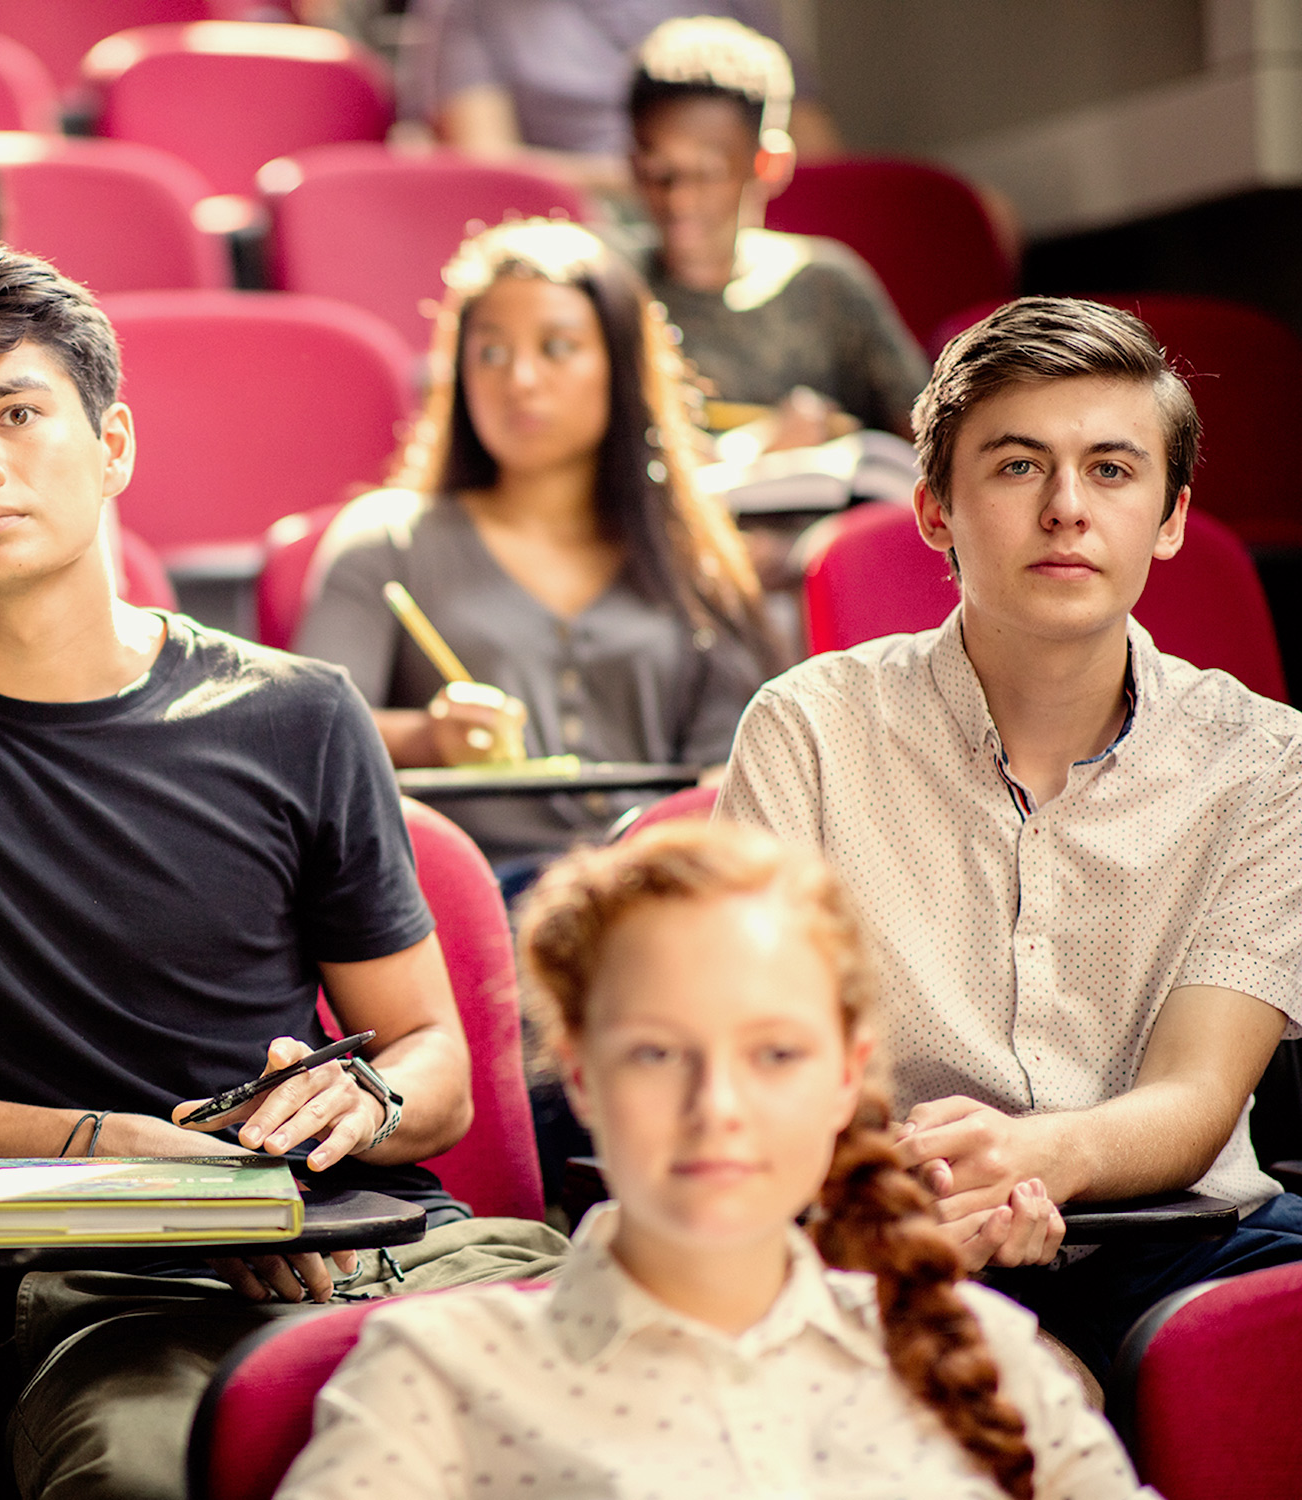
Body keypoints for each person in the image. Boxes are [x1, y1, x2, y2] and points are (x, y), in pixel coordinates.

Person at [0, 241, 566, 1500]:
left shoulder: (301, 713)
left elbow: (430, 1062)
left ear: (112, 446)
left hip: (370, 1244)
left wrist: (359, 1110)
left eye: (14, 413)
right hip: (89, 1286)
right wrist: (120, 1157)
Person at [716, 295, 1302, 1381]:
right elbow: (756, 1060)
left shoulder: (1265, 759)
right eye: (1018, 467)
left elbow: (1196, 1094)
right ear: (934, 509)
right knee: (1017, 1392)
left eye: (1112, 471)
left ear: (1171, 518)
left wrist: (1038, 1158)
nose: (1066, 509)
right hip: (877, 1224)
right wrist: (912, 1205)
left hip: (1181, 1236)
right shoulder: (806, 728)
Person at [275, 820, 1145, 1500]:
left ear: (846, 1078)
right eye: (657, 1054)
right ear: (580, 1077)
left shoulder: (993, 1356)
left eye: (774, 1056)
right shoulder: (438, 1376)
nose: (715, 1110)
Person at [294, 218, 774, 871]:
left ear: (621, 367)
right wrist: (429, 737)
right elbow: (304, 736)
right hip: (466, 901)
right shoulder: (385, 539)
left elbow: (738, 770)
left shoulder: (693, 555)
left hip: (657, 895)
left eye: (557, 347)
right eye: (490, 353)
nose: (519, 378)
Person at [624, 15, 927, 445]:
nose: (679, 200)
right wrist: (757, 445)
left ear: (769, 165)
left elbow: (928, 441)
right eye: (658, 173)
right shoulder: (615, 291)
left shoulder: (826, 285)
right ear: (632, 163)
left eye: (707, 174)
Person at [398, 0, 842, 198]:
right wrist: (668, 179)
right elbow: (488, 168)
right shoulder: (467, 7)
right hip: (581, 223)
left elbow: (816, 146)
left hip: (733, 209)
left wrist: (711, 184)